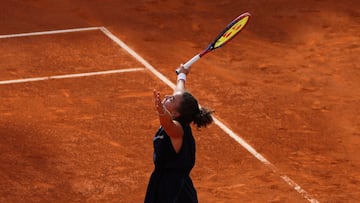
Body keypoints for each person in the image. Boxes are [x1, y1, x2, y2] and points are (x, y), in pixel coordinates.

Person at [144, 65, 214, 203]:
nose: (168, 96)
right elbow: (178, 91)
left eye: (171, 99)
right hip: (164, 183)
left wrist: (161, 111)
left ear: (175, 113)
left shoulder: (177, 130)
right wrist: (182, 75)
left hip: (174, 192)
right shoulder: (180, 114)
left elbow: (167, 124)